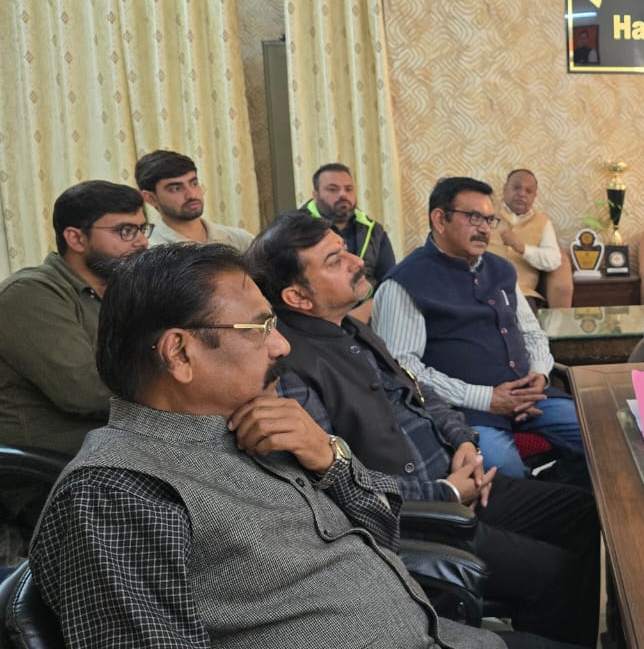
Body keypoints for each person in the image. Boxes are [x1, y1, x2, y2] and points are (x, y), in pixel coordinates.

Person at [27, 243, 523, 648]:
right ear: (179, 352)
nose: (282, 345)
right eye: (260, 328)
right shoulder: (119, 492)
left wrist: (329, 458)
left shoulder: (254, 421)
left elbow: (384, 536)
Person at [247, 213, 601, 647]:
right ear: (298, 296)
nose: (357, 261)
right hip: (418, 517)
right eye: (335, 260)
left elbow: (421, 394)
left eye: (345, 250)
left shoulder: (352, 328)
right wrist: (446, 493)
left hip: (460, 479)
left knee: (587, 512)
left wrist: (465, 441)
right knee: (558, 573)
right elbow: (335, 485)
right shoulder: (290, 369)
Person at [373, 177, 586, 484]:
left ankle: (559, 496)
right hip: (464, 411)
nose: (485, 228)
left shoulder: (501, 269)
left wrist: (538, 375)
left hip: (531, 397)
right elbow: (403, 370)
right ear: (440, 220)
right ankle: (541, 502)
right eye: (474, 218)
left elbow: (531, 332)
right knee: (503, 471)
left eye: (489, 219)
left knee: (602, 436)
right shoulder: (404, 283)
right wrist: (486, 398)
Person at [0, 181, 149, 454]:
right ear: (76, 239)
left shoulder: (122, 290)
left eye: (141, 229)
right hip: (52, 463)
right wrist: (181, 397)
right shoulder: (29, 293)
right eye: (125, 231)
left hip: (120, 444)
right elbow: (86, 393)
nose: (141, 242)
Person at [135, 149, 255, 251]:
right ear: (151, 198)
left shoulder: (240, 241)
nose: (191, 195)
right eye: (176, 189)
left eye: (194, 183)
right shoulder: (149, 251)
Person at [303, 162, 397, 287]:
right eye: (333, 189)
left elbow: (388, 284)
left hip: (368, 298)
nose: (343, 194)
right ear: (316, 195)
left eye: (348, 189)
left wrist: (367, 299)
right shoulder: (296, 229)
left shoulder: (374, 231)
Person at [489, 169, 563, 309]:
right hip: (485, 288)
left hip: (522, 294)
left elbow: (553, 261)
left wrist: (522, 248)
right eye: (516, 188)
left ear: (534, 196)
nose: (522, 194)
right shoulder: (488, 214)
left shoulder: (543, 222)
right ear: (505, 189)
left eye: (529, 191)